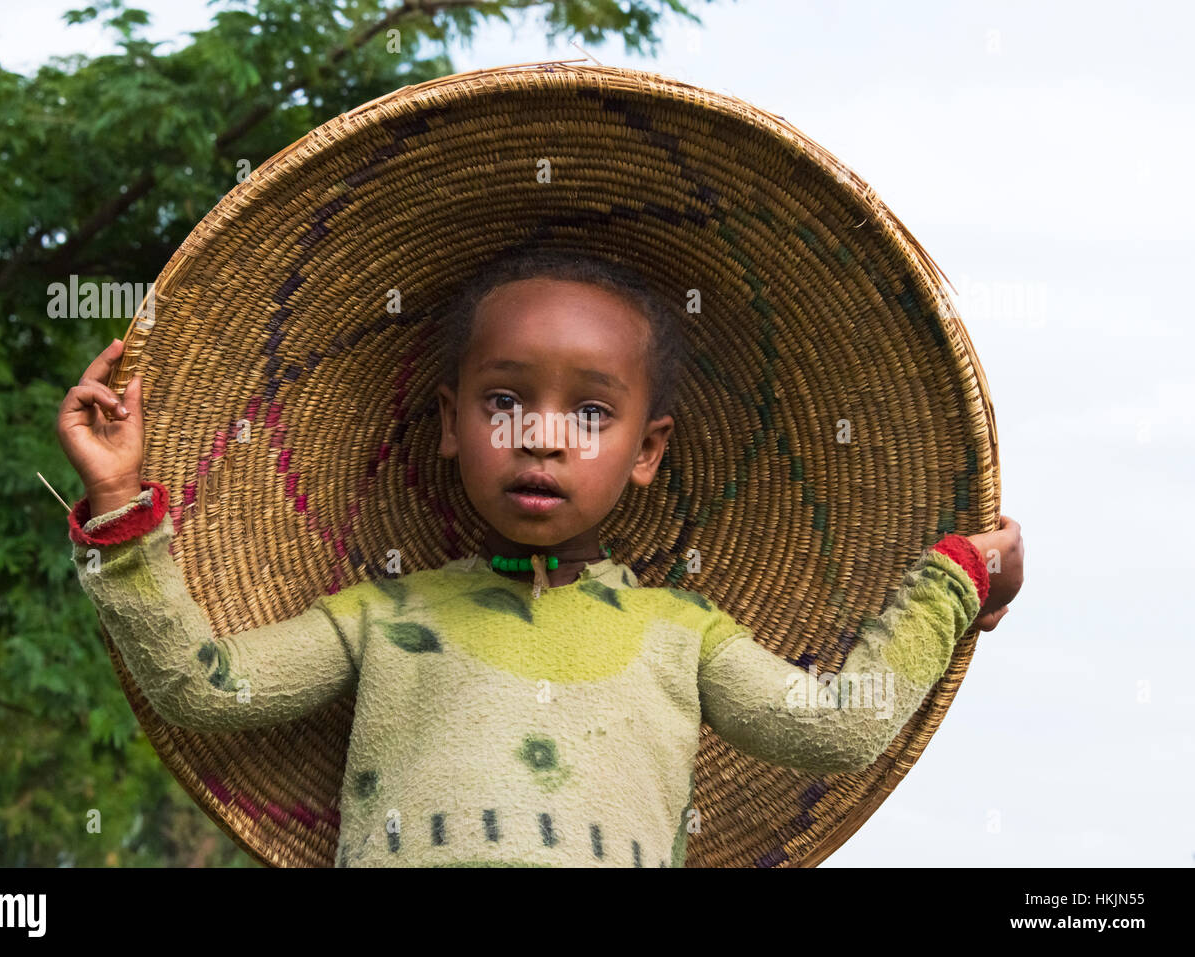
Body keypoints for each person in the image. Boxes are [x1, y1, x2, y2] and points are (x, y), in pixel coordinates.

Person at [56, 245, 1024, 867]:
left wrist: (951, 583)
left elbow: (835, 728)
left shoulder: (679, 635)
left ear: (648, 451)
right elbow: (200, 685)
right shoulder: (385, 617)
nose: (541, 437)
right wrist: (116, 499)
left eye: (592, 413)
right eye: (503, 399)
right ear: (449, 424)